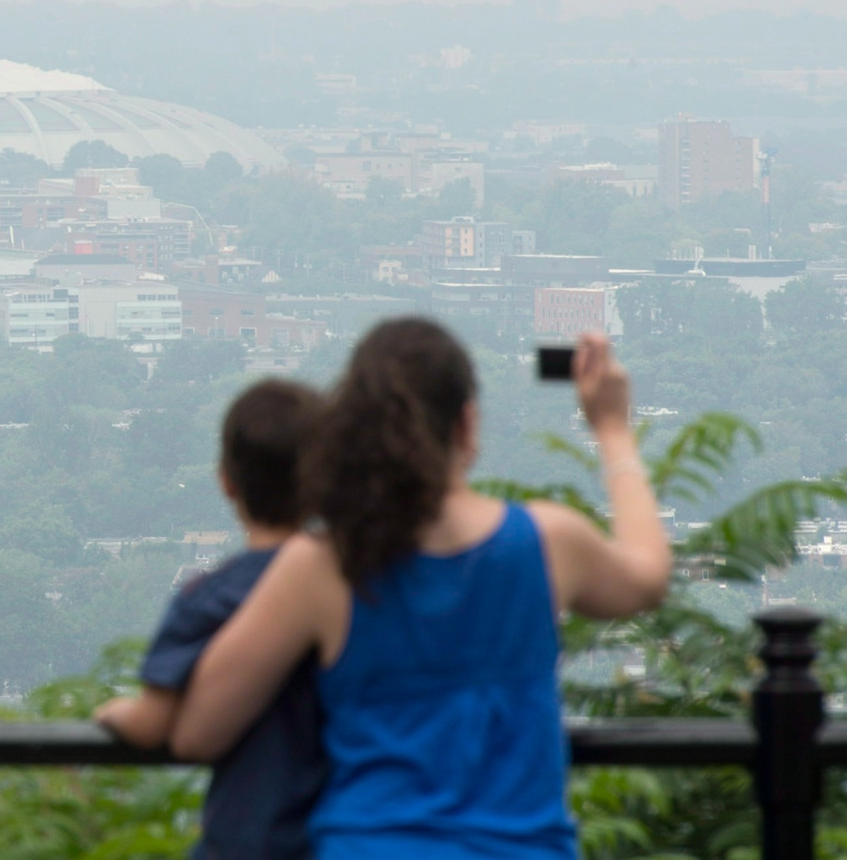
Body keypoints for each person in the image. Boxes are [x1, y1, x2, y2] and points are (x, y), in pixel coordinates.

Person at [168, 319, 672, 859]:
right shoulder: (546, 543)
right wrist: (612, 429)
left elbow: (199, 731)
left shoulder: (322, 568)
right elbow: (647, 576)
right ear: (466, 426)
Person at [95, 378, 327, 860]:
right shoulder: (354, 590)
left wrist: (108, 713)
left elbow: (152, 723)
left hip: (247, 839)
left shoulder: (209, 598)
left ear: (226, 481)